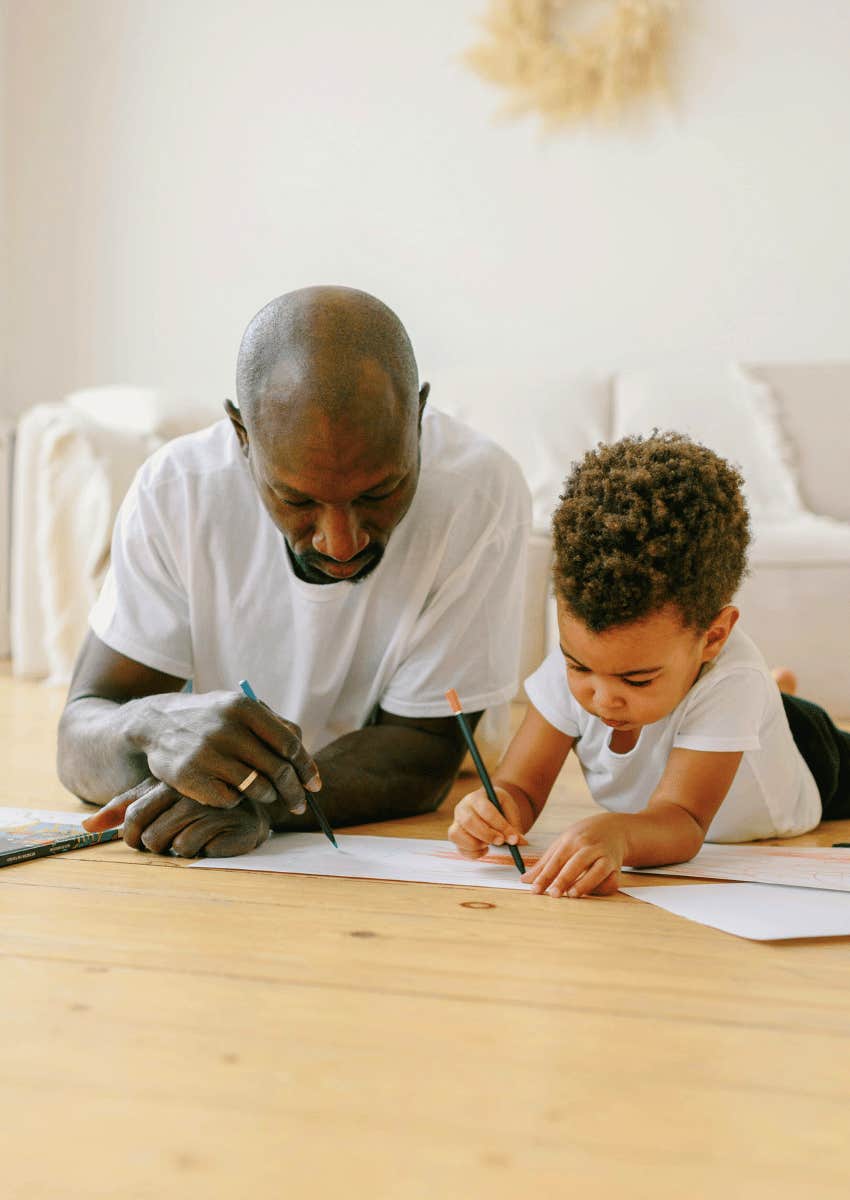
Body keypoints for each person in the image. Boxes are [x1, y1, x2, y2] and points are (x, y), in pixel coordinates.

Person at [60, 286, 531, 857]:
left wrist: (255, 802)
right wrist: (152, 725)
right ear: (242, 437)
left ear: (418, 419)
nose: (341, 542)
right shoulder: (176, 491)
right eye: (297, 499)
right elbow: (80, 737)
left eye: (379, 492)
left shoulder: (480, 492)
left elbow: (424, 752)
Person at [449, 432, 850, 897]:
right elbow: (521, 786)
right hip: (737, 709)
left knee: (760, 700)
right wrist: (495, 808)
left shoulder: (732, 681)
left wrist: (618, 834)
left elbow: (685, 820)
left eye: (636, 679)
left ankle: (775, 702)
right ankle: (774, 695)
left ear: (713, 638)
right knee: (745, 698)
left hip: (814, 762)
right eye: (579, 667)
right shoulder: (585, 659)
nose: (602, 698)